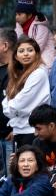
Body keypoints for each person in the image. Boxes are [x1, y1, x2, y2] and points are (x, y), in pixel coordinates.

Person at [2, 37, 50, 150]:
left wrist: (9, 109)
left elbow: (18, 103)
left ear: (37, 53)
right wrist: (10, 108)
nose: (26, 54)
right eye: (21, 51)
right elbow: (7, 100)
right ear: (16, 56)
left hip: (32, 130)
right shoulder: (18, 75)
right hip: (19, 130)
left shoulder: (39, 73)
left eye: (30, 50)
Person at [13, 0, 56, 67]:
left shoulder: (41, 27)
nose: (16, 17)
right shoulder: (19, 26)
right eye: (16, 14)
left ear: (29, 15)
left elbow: (36, 49)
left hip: (47, 64)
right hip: (30, 62)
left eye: (19, 14)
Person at [0, 28, 16, 170]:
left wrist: (14, 128)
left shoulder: (19, 70)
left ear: (4, 46)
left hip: (10, 136)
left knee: (10, 176)